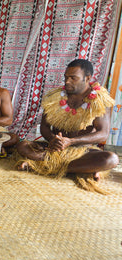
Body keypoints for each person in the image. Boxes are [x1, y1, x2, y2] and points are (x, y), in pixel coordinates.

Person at [16, 59, 119, 192]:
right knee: (22, 146)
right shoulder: (54, 97)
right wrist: (53, 139)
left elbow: (103, 133)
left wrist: (71, 141)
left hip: (82, 152)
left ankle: (45, 166)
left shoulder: (99, 101)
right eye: (66, 77)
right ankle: (81, 169)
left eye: (73, 78)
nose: (67, 81)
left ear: (87, 78)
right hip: (53, 150)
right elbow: (44, 127)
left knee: (111, 159)